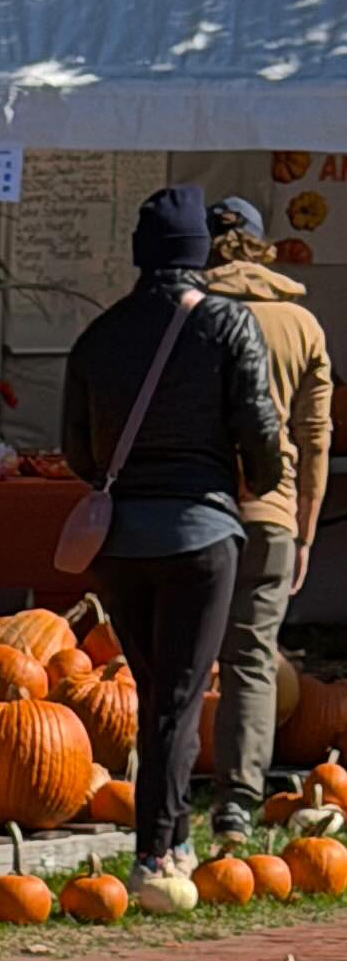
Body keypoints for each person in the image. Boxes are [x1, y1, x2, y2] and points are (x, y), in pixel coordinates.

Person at [62, 184, 282, 908]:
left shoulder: (99, 335)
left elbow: (76, 448)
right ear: (201, 254)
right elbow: (259, 428)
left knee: (157, 687)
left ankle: (165, 839)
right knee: (179, 696)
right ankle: (159, 850)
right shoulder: (227, 324)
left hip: (122, 538)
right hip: (201, 532)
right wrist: (255, 480)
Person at [204, 194, 334, 847]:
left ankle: (157, 795)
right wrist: (304, 528)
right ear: (264, 247)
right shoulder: (301, 326)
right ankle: (236, 803)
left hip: (193, 507)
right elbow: (314, 438)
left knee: (175, 656)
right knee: (252, 658)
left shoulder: (186, 314)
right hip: (270, 510)